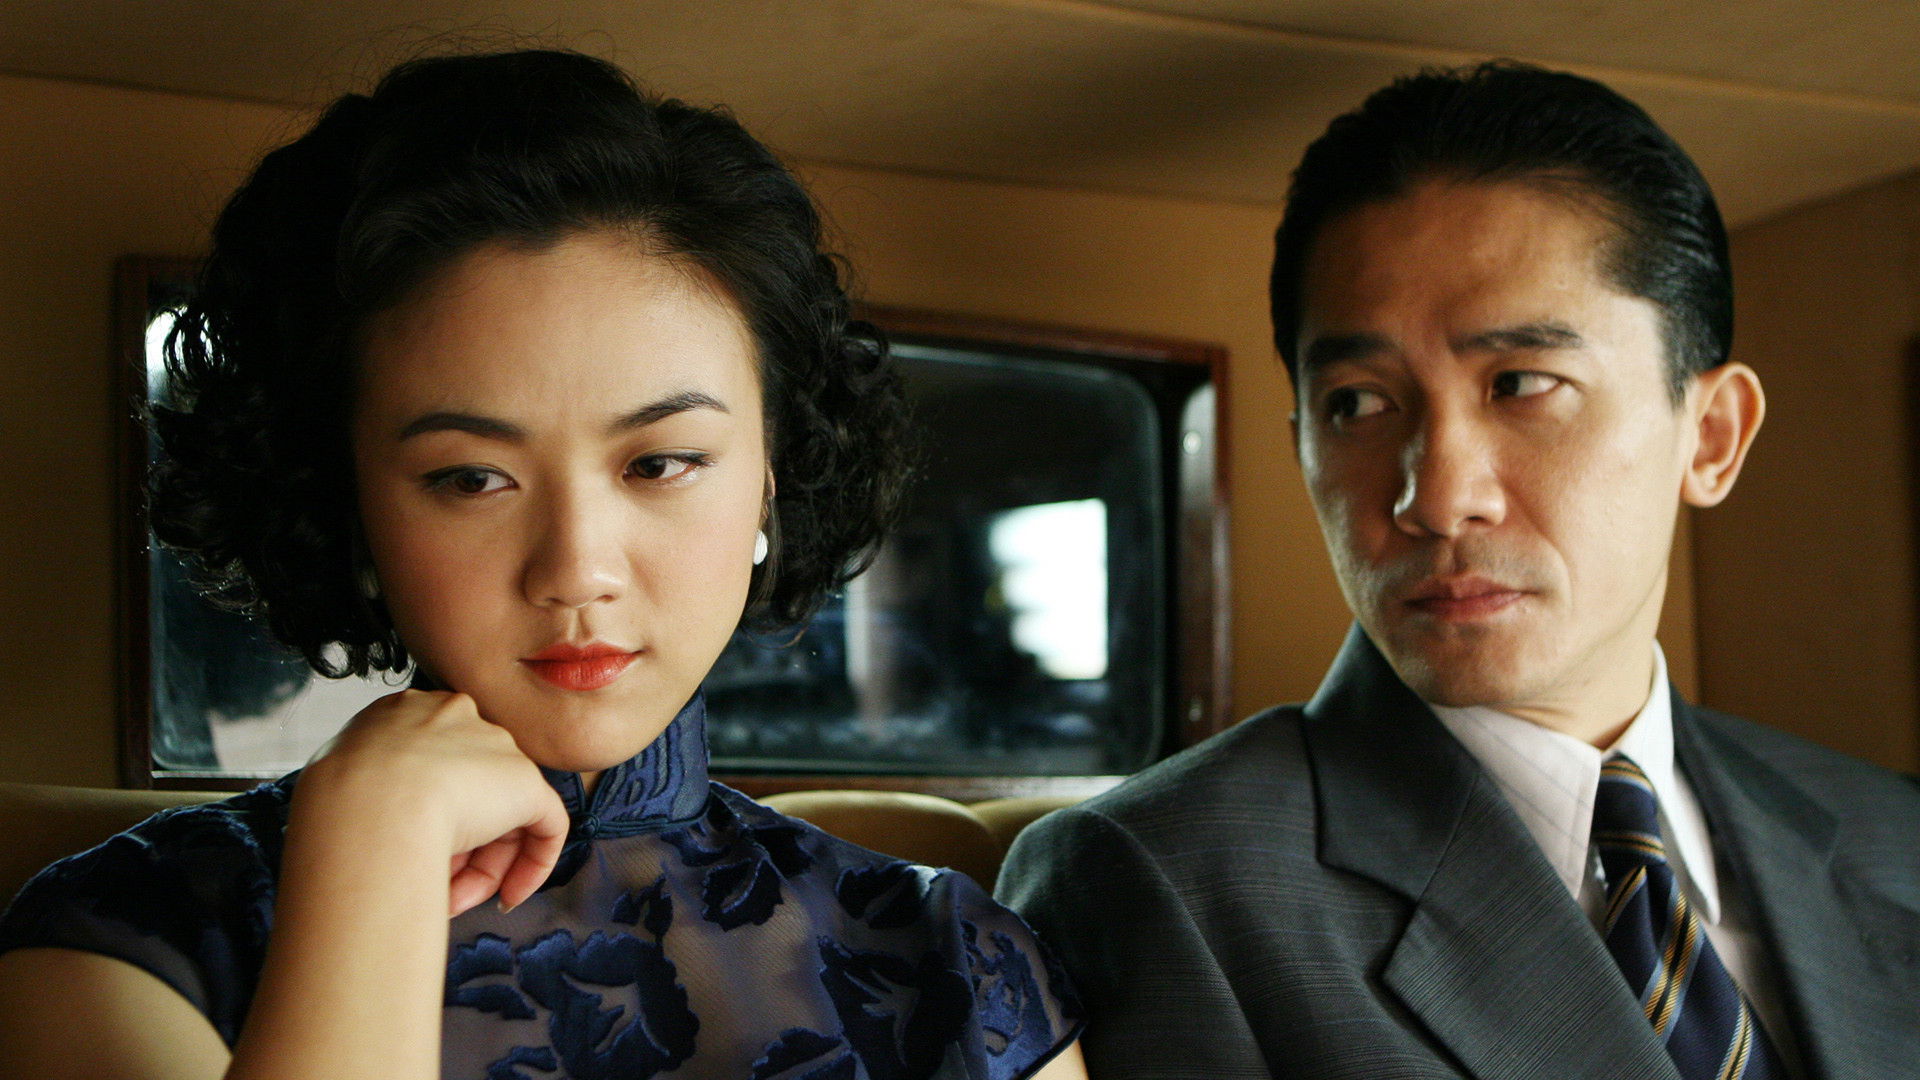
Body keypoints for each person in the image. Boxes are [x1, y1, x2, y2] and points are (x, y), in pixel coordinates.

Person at [0, 49, 1085, 1080]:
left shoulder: (953, 957)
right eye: (472, 478)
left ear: (772, 477)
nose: (576, 570)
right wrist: (370, 857)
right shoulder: (125, 942)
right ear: (346, 504)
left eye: (661, 463)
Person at [998, 61, 1920, 1079]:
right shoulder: (1166, 882)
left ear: (1711, 437)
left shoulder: (1894, 834)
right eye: (1358, 404)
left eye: (1521, 384)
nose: (1435, 499)